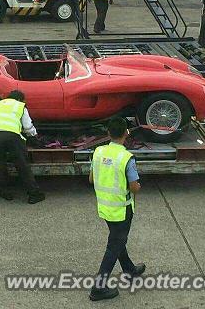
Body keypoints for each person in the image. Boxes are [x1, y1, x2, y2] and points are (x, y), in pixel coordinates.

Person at [89, 117, 145, 301]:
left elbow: (91, 179)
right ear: (126, 133)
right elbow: (134, 186)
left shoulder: (98, 152)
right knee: (115, 244)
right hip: (122, 209)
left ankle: (129, 270)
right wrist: (138, 186)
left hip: (105, 207)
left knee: (117, 239)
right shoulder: (126, 157)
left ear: (108, 133)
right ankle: (99, 287)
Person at [0, 90, 45, 204]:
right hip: (12, 136)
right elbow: (27, 127)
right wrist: (36, 137)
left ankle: (5, 191)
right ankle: (34, 194)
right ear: (20, 99)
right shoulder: (20, 106)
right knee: (22, 165)